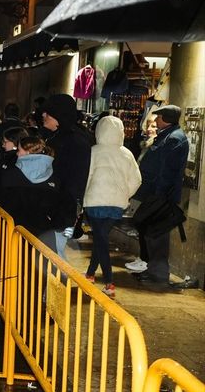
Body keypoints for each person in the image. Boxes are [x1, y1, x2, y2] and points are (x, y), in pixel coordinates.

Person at [124, 105, 194, 288]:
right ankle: (153, 270)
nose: (155, 120)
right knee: (150, 233)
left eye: (159, 117)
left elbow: (167, 171)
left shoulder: (174, 139)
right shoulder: (168, 136)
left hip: (160, 197)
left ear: (167, 118)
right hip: (156, 195)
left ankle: (158, 273)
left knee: (157, 235)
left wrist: (159, 196)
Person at [83, 115, 141, 298]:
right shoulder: (127, 153)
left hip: (94, 201)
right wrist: (124, 194)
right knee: (101, 238)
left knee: (101, 240)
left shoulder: (92, 151)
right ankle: (91, 274)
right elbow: (136, 180)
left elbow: (86, 177)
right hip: (117, 205)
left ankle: (109, 282)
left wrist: (83, 196)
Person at [40, 94, 92, 258]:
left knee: (55, 252)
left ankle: (64, 282)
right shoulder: (56, 137)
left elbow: (74, 179)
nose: (43, 116)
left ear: (58, 116)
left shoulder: (75, 141)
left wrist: (68, 209)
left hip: (62, 206)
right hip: (52, 203)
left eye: (48, 113)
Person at [0, 136, 61, 238]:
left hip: (13, 229)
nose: (17, 154)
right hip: (42, 231)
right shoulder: (52, 176)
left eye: (19, 150)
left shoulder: (12, 174)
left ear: (27, 153)